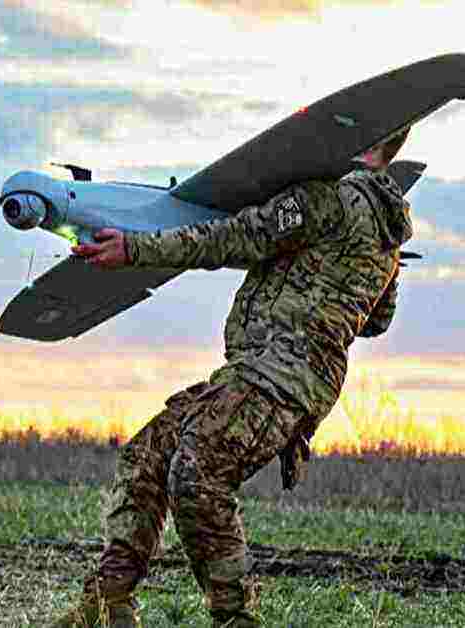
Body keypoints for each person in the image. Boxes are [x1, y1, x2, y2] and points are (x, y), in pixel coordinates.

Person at [51, 128, 414, 628]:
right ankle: (106, 606)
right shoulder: (388, 239)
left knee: (196, 473)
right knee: (147, 456)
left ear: (369, 144)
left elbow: (233, 236)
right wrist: (340, 274)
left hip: (276, 377)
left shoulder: (328, 199)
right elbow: (377, 320)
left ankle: (233, 617)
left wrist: (136, 248)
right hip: (268, 377)